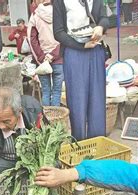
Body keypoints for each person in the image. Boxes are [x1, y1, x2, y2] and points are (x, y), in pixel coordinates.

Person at [53, 0, 109, 140]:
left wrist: (101, 27)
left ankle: (97, 145)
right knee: (77, 101)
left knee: (97, 100)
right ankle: (79, 144)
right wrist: (81, 46)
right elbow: (58, 32)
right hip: (74, 52)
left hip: (96, 50)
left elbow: (105, 17)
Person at [28, 0, 64, 106]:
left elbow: (31, 39)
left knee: (46, 92)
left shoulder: (35, 14)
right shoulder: (60, 12)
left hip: (42, 61)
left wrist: (41, 57)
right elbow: (65, 36)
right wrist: (53, 54)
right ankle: (55, 120)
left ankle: (46, 120)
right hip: (58, 59)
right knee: (57, 92)